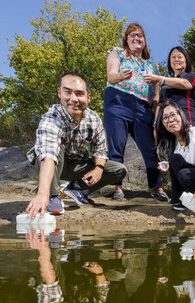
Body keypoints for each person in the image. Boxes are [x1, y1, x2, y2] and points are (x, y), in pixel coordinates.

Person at [25, 72, 127, 217]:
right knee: (55, 148)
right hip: (52, 163)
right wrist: (42, 193)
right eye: (68, 92)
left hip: (78, 165)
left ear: (88, 97)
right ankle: (53, 196)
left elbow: (101, 150)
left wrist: (98, 168)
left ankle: (77, 189)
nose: (74, 99)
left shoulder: (94, 119)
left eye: (79, 94)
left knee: (119, 170)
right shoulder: (51, 119)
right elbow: (48, 157)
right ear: (59, 93)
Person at [104, 23, 168, 202]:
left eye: (140, 35)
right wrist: (121, 76)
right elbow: (111, 76)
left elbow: (156, 96)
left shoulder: (152, 67)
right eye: (132, 35)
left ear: (145, 41)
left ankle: (157, 188)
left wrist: (155, 118)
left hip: (142, 107)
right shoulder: (117, 52)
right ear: (126, 39)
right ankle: (118, 188)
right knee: (117, 143)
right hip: (118, 100)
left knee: (149, 147)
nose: (136, 38)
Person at [145, 46, 195, 127]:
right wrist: (156, 124)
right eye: (173, 57)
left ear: (186, 60)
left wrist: (160, 79)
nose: (176, 59)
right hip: (168, 125)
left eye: (179, 57)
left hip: (187, 121)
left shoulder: (190, 76)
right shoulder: (165, 85)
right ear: (170, 62)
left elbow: (185, 84)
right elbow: (160, 105)